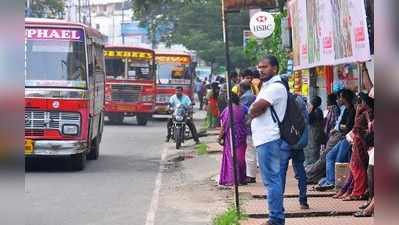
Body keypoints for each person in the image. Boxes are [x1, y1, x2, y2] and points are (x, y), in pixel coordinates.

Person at [249, 55, 287, 225]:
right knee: (271, 179)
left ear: (275, 68)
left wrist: (253, 109)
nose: (260, 70)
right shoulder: (266, 86)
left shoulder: (276, 87)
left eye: (264, 67)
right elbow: (256, 109)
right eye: (259, 67)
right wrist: (254, 109)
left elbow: (256, 108)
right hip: (264, 138)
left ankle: (276, 218)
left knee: (272, 180)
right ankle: (276, 216)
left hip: (269, 138)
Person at [279, 83, 310, 210]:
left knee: (281, 172)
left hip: (285, 141)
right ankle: (303, 200)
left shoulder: (281, 101)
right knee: (300, 170)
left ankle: (279, 203)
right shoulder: (299, 100)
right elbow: (306, 119)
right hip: (298, 141)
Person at [217, 93, 248, 186]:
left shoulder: (228, 109)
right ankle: (242, 178)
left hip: (231, 134)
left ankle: (232, 179)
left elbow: (224, 124)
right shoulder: (243, 107)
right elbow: (249, 118)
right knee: (241, 157)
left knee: (231, 157)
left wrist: (219, 137)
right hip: (242, 134)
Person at [239, 81, 257, 183]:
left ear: (242, 88)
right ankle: (251, 174)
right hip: (253, 126)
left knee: (250, 152)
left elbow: (243, 113)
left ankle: (250, 175)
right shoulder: (253, 95)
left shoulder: (245, 98)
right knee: (252, 151)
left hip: (249, 127)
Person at [304, 96, 324, 166]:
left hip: (314, 137)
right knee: (312, 154)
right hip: (314, 137)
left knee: (312, 156)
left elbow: (309, 120)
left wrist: (311, 109)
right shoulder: (319, 111)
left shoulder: (316, 111)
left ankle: (311, 173)